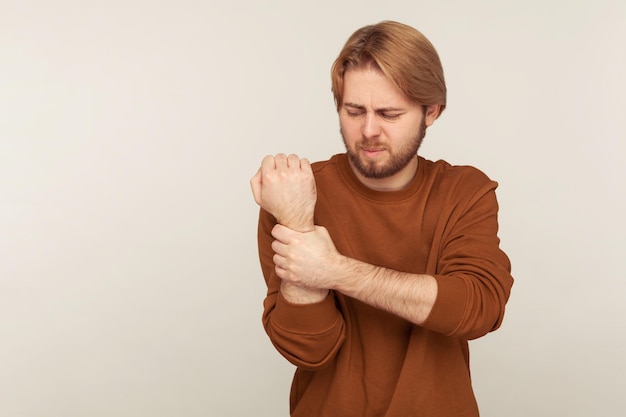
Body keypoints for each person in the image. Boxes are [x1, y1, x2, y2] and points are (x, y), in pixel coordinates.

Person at [250, 20, 513, 417]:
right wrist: (298, 222)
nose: (368, 130)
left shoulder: (465, 192)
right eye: (354, 111)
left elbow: (478, 308)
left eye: (389, 114)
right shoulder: (295, 195)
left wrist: (333, 270)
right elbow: (308, 349)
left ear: (431, 111)